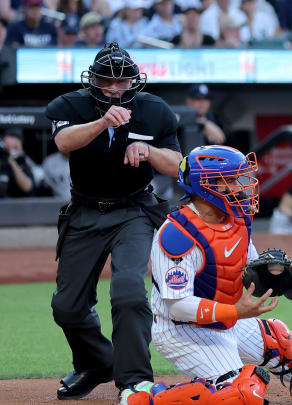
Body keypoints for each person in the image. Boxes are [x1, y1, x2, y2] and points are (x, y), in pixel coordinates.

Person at [128, 145, 292, 405]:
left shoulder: (237, 217)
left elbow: (246, 269)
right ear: (206, 186)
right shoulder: (177, 235)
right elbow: (178, 306)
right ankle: (145, 400)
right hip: (183, 331)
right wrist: (235, 311)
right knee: (241, 394)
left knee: (279, 340)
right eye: (231, 180)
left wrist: (269, 275)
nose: (241, 186)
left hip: (228, 318)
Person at [45, 42, 182, 402]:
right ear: (94, 80)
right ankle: (96, 363)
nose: (116, 88)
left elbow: (176, 164)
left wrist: (150, 151)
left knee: (129, 291)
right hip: (86, 210)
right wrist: (103, 121)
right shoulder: (71, 105)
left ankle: (136, 380)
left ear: (136, 82)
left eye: (124, 82)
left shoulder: (155, 111)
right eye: (108, 80)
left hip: (134, 210)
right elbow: (63, 141)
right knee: (67, 307)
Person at [0, 128, 35, 198]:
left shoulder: (25, 162)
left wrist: (12, 162)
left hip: (19, 205)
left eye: (15, 148)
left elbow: (27, 187)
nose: (11, 152)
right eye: (7, 148)